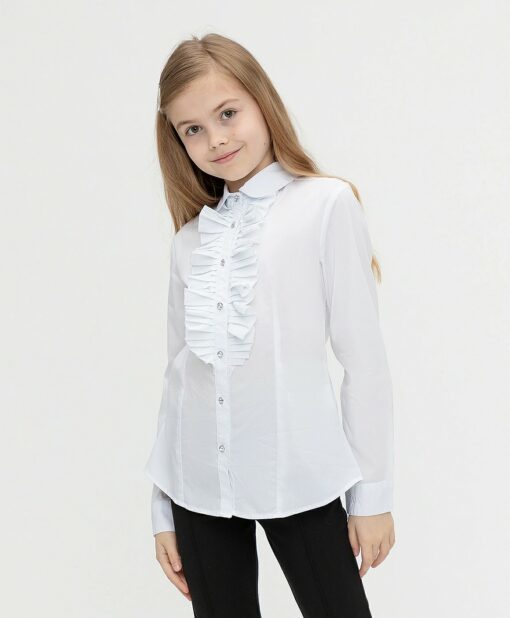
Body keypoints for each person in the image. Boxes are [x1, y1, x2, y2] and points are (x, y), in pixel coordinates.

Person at [144, 32, 396, 618]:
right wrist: (162, 507)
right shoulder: (191, 240)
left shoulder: (326, 205)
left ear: (262, 102)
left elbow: (363, 361)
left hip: (300, 476)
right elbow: (178, 378)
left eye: (227, 113)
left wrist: (373, 496)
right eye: (192, 129)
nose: (216, 139)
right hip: (197, 487)